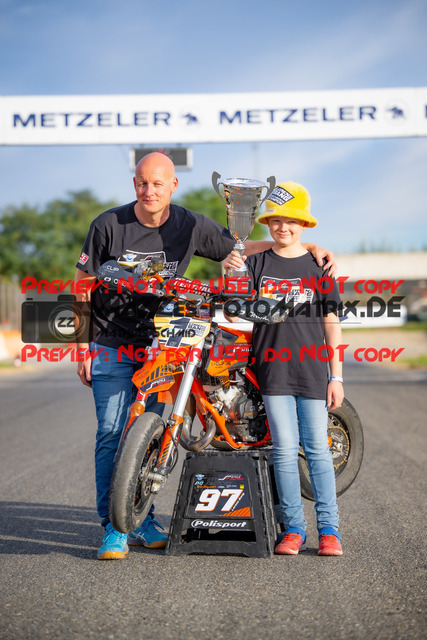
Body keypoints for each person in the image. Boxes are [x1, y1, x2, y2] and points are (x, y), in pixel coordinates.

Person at [75, 154, 337, 560]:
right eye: (142, 183)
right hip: (111, 342)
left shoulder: (190, 224)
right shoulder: (108, 224)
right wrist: (81, 346)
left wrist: (304, 246)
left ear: (172, 186)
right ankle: (114, 529)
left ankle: (140, 520)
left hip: (163, 342)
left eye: (157, 184)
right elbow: (82, 282)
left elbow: (241, 247)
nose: (149, 191)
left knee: (150, 432)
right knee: (113, 433)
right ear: (134, 184)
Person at [223, 181, 344, 556]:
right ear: (268, 224)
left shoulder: (319, 267)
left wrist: (337, 376)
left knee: (318, 451)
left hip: (312, 372)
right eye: (276, 220)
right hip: (272, 372)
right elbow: (234, 309)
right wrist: (231, 273)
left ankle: (329, 530)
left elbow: (332, 324)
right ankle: (293, 528)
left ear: (304, 224)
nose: (283, 227)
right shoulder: (256, 264)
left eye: (291, 221)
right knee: (285, 451)